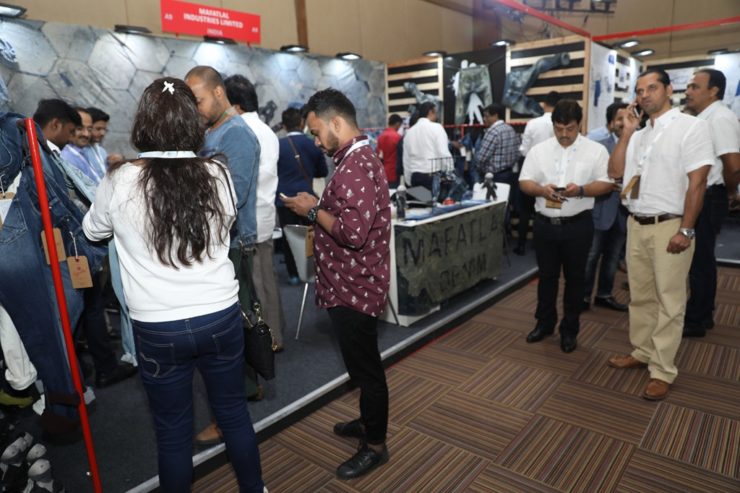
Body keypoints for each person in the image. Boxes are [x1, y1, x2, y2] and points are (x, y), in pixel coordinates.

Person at [82, 77, 265, 493]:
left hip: (157, 324)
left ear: (143, 123)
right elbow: (227, 227)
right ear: (191, 122)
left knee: (172, 432)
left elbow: (92, 231)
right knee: (234, 413)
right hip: (219, 314)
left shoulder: (120, 179)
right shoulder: (217, 172)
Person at [282, 88, 391, 480]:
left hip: (355, 288)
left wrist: (313, 209)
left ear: (337, 123)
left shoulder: (355, 164)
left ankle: (375, 446)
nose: (314, 141)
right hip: (351, 283)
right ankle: (368, 423)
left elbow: (353, 232)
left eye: (316, 132)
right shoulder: (355, 157)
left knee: (367, 371)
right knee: (361, 367)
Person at [607, 68, 714, 401]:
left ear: (668, 90)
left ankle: (662, 369)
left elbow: (698, 183)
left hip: (671, 224)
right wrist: (626, 134)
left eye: (652, 88)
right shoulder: (638, 135)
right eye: (639, 91)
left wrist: (686, 229)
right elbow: (615, 173)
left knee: (670, 300)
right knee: (641, 296)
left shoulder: (691, 127)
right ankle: (642, 351)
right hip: (636, 223)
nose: (644, 96)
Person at [185, 66, 263, 446]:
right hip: (217, 244)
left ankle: (228, 418)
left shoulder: (237, 134)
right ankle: (245, 392)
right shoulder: (211, 132)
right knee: (232, 332)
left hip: (231, 244)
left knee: (227, 338)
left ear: (218, 93)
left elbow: (234, 195)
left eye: (198, 100)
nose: (196, 109)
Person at [37, 101, 137, 389]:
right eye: (74, 130)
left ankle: (84, 368)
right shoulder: (51, 157)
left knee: (86, 306)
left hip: (73, 241)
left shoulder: (58, 154)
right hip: (71, 243)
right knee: (85, 307)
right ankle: (95, 369)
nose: (78, 135)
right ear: (56, 125)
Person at [519, 100, 612, 354]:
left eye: (569, 128)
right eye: (559, 128)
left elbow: (606, 184)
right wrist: (541, 190)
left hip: (578, 225)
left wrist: (580, 190)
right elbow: (524, 182)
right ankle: (544, 323)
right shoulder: (539, 151)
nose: (564, 134)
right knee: (546, 278)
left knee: (575, 279)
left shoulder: (596, 151)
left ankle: (569, 330)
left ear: (580, 124)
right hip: (545, 225)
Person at [224, 74, 286, 350]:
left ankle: (269, 338)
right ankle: (276, 332)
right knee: (267, 279)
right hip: (265, 215)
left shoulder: (240, 131)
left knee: (256, 284)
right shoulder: (267, 131)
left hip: (249, 220)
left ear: (235, 105)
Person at [682, 69, 740, 337]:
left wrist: (729, 193)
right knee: (699, 259)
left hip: (710, 195)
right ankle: (701, 313)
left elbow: (733, 165)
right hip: (705, 194)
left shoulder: (720, 118)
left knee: (701, 260)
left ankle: (697, 319)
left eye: (695, 86)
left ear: (714, 90)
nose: (688, 91)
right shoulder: (704, 117)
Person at [583, 102, 630, 312]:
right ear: (611, 123)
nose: (624, 123)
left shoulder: (640, 145)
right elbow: (588, 178)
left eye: (629, 118)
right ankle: (583, 297)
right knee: (591, 256)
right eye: (620, 119)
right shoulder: (598, 146)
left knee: (613, 257)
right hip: (601, 209)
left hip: (625, 212)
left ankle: (604, 294)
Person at [276, 107, 328, 285]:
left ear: (284, 125)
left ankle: (293, 274)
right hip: (308, 198)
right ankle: (312, 271)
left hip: (285, 200)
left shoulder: (278, 145)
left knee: (289, 238)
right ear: (301, 123)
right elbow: (323, 171)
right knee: (311, 235)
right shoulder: (313, 143)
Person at [515, 91, 562, 255]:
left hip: (532, 170)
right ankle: (539, 245)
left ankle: (521, 245)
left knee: (525, 210)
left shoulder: (533, 123)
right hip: (554, 171)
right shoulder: (560, 124)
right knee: (544, 211)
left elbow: (524, 150)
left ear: (544, 104)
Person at [402, 101, 452, 189]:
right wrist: (449, 171)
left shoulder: (409, 133)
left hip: (415, 177)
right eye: (435, 112)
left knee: (419, 198)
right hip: (432, 176)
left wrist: (408, 180)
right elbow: (443, 153)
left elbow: (406, 159)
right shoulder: (437, 128)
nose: (437, 116)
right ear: (430, 112)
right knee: (434, 198)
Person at [475, 103, 520, 185]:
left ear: (496, 116)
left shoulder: (492, 132)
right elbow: (517, 153)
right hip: (509, 173)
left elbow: (481, 158)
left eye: (487, 116)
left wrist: (480, 169)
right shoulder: (510, 129)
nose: (484, 119)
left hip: (494, 176)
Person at [60, 108, 103, 183]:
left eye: (89, 129)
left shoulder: (83, 152)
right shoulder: (66, 157)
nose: (86, 134)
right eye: (79, 128)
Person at [376, 114, 402, 187]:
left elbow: (378, 155)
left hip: (383, 172)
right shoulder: (398, 137)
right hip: (394, 172)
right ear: (397, 124)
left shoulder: (380, 137)